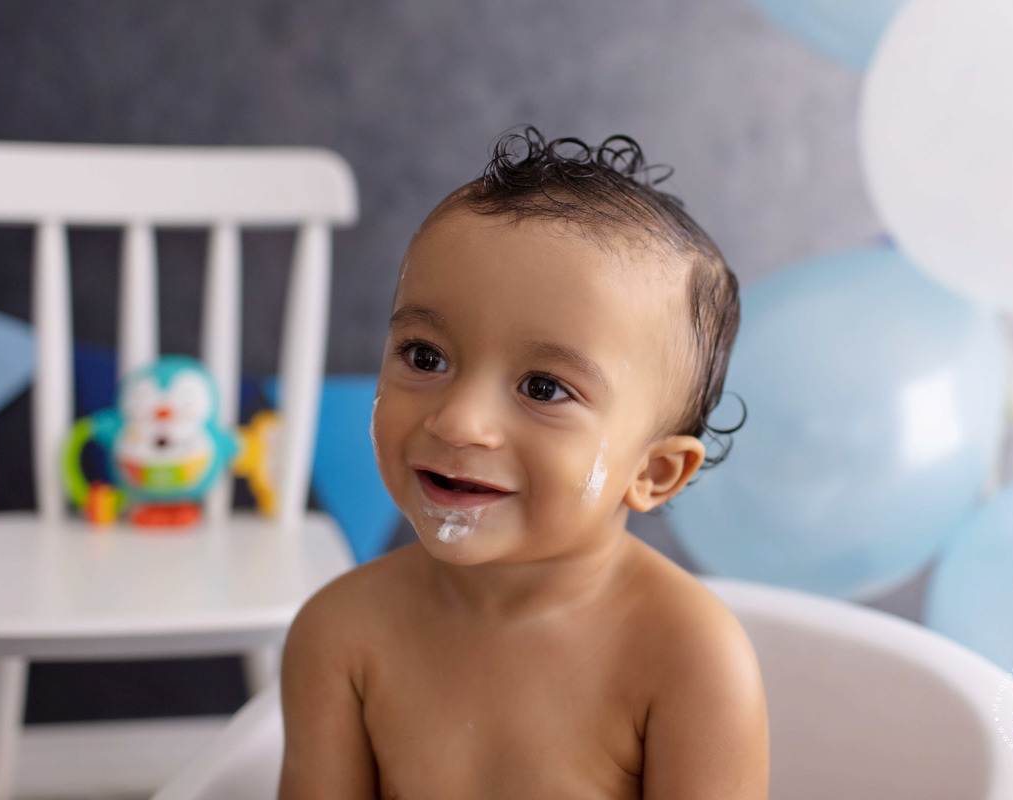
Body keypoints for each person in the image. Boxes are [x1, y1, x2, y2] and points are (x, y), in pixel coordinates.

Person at [278, 127, 769, 799]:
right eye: (425, 357)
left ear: (653, 473)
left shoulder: (689, 660)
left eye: (543, 388)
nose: (456, 420)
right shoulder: (341, 635)